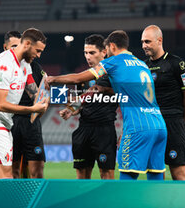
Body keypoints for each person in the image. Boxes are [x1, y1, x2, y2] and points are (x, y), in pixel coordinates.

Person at [47, 30, 167, 181]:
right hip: (159, 124)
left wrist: (53, 79)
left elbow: (78, 78)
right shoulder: (142, 64)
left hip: (137, 127)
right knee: (156, 178)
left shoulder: (113, 62)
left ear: (110, 46)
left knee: (126, 178)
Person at [0, 28, 48, 179]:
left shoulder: (25, 64)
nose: (39, 55)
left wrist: (42, 98)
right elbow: (0, 105)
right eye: (38, 50)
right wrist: (32, 108)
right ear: (27, 43)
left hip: (4, 124)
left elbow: (33, 91)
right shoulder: (5, 65)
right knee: (7, 176)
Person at [59, 34, 118, 179]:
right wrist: (71, 110)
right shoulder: (83, 78)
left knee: (107, 176)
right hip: (84, 129)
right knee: (82, 178)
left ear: (104, 52)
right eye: (86, 53)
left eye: (92, 53)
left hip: (105, 130)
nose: (88, 56)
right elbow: (81, 105)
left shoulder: (113, 74)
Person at [143, 25, 185, 181]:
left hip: (173, 123)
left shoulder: (177, 64)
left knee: (178, 172)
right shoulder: (143, 66)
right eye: (142, 42)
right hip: (151, 124)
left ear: (159, 40)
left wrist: (180, 120)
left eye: (147, 41)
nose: (144, 45)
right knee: (154, 172)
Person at [9, 35, 47, 179]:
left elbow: (43, 93)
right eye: (12, 46)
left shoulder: (35, 67)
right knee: (13, 171)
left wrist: (42, 106)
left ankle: (37, 200)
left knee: (37, 171)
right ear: (6, 47)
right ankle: (17, 200)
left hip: (31, 123)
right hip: (11, 122)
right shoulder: (4, 65)